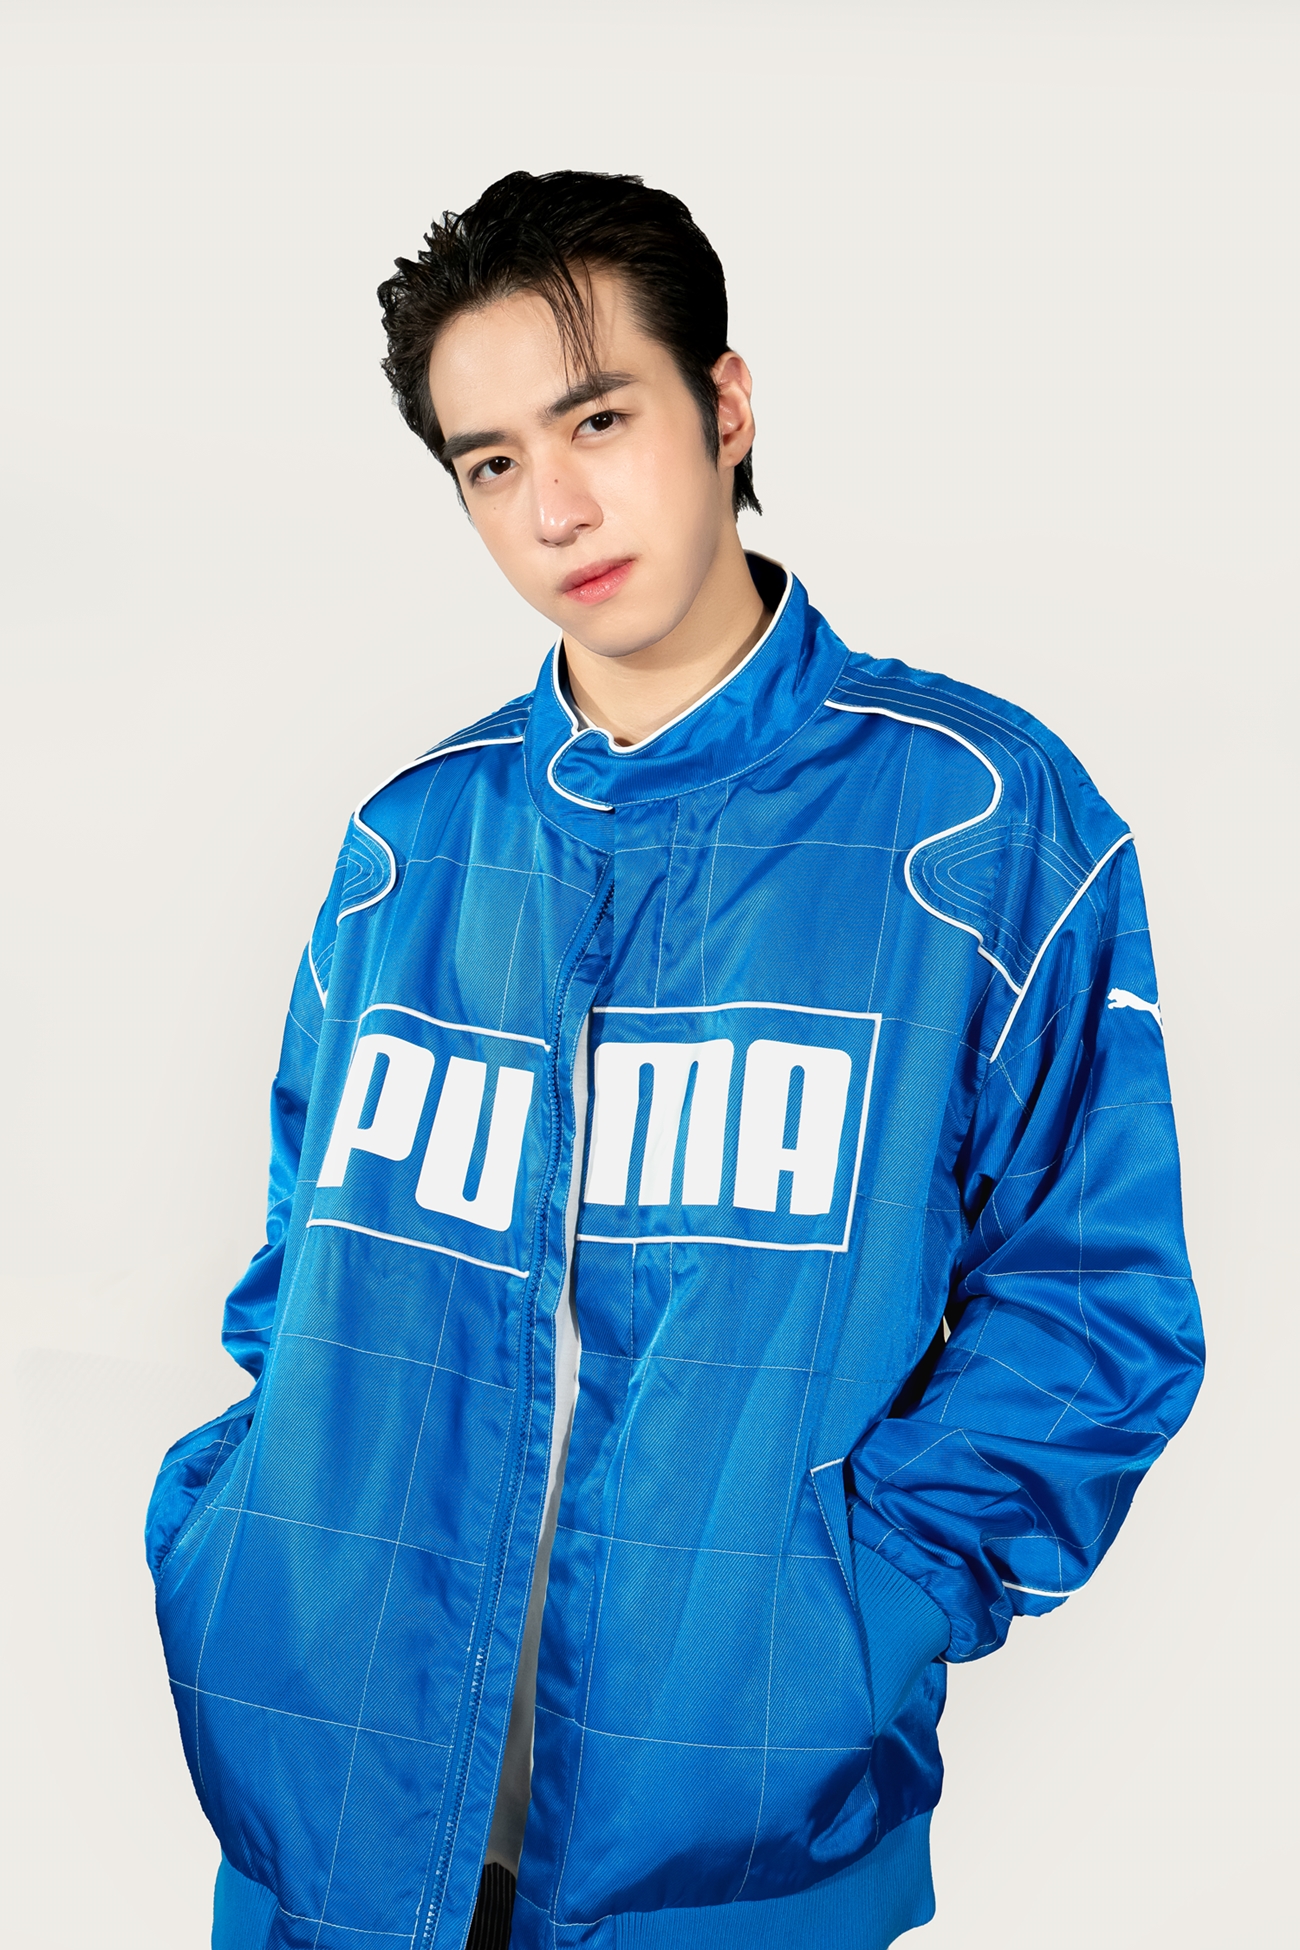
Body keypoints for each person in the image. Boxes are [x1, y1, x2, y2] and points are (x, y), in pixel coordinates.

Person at [147, 171, 1204, 1950]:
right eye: (491, 462)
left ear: (723, 405)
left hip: (726, 1865)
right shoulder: (413, 844)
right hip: (324, 1822)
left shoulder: (976, 824)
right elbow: (300, 1280)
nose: (554, 507)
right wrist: (234, 1525)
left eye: (598, 420)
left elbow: (1094, 1308)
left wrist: (858, 1603)